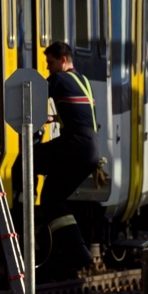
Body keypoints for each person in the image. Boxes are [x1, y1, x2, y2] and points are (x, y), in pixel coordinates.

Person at [37, 41, 101, 278]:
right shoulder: (83, 81)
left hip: (76, 145)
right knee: (52, 198)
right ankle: (78, 250)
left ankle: (20, 212)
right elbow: (78, 112)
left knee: (28, 160)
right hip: (91, 148)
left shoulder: (58, 79)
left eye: (51, 63)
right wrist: (53, 119)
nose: (49, 68)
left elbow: (31, 95)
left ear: (63, 60)